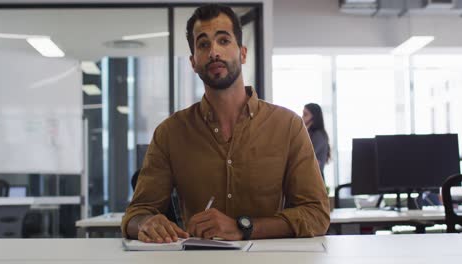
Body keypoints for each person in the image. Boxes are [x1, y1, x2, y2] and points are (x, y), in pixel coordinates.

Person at [121, 4, 330, 243]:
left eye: (223, 40)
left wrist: (244, 228)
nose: (213, 52)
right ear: (193, 62)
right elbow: (136, 214)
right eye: (203, 44)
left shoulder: (288, 126)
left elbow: (316, 214)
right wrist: (146, 223)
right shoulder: (170, 133)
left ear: (242, 53)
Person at [302, 103, 331, 179]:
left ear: (314, 117)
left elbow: (305, 154)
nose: (302, 117)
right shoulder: (309, 133)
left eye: (305, 114)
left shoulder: (319, 135)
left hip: (315, 178)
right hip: (310, 176)